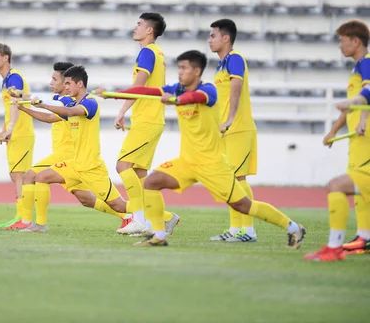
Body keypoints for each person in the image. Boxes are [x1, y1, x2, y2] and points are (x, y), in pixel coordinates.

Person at [103, 50, 306, 248]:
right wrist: (115, 94)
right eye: (179, 68)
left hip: (212, 164)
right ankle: (159, 235)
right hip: (187, 162)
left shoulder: (208, 90)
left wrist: (178, 100)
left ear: (197, 71)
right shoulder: (178, 88)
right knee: (152, 182)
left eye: (184, 68)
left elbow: (196, 98)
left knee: (243, 205)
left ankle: (293, 227)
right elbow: (149, 91)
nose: (180, 72)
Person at [27, 66, 142, 229]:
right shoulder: (72, 102)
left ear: (79, 83)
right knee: (41, 177)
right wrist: (24, 108)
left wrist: (44, 104)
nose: (65, 87)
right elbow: (49, 117)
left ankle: (161, 215)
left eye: (68, 83)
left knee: (119, 206)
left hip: (91, 166)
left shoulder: (90, 103)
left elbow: (72, 111)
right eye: (64, 83)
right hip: (75, 165)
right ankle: (40, 225)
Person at [114, 13, 179, 236]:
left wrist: (122, 110)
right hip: (151, 119)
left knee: (123, 166)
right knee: (140, 173)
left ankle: (140, 219)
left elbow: (139, 86)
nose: (135, 28)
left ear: (149, 30)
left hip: (147, 120)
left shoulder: (147, 52)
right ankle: (160, 220)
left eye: (139, 24)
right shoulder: (157, 53)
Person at [6, 61, 76, 232]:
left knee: (30, 176)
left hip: (68, 154)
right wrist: (24, 97)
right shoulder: (60, 100)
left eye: (54, 79)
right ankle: (127, 215)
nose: (50, 82)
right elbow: (43, 103)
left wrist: (25, 104)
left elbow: (48, 115)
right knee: (87, 198)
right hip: (66, 155)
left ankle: (28, 222)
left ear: (66, 83)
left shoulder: (69, 102)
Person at [322, 20, 370, 255]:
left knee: (341, 187)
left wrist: (359, 114)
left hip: (367, 142)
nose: (340, 46)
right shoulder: (358, 68)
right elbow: (356, 104)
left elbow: (367, 95)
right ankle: (364, 237)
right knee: (361, 194)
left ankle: (336, 247)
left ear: (356, 41)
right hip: (358, 141)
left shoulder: (367, 64)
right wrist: (333, 130)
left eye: (342, 40)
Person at [208, 19, 258, 242]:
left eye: (213, 36)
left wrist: (230, 118)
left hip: (238, 128)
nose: (209, 40)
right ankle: (235, 228)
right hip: (225, 130)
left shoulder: (235, 58)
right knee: (230, 179)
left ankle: (248, 229)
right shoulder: (221, 64)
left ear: (225, 38)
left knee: (238, 178)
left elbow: (236, 86)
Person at [0, 43, 35, 228]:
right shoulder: (7, 79)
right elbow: (10, 109)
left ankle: (24, 218)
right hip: (16, 132)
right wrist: (4, 129)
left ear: (5, 57)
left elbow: (16, 102)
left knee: (19, 175)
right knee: (15, 175)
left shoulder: (14, 77)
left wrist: (12, 128)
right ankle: (21, 216)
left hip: (22, 133)